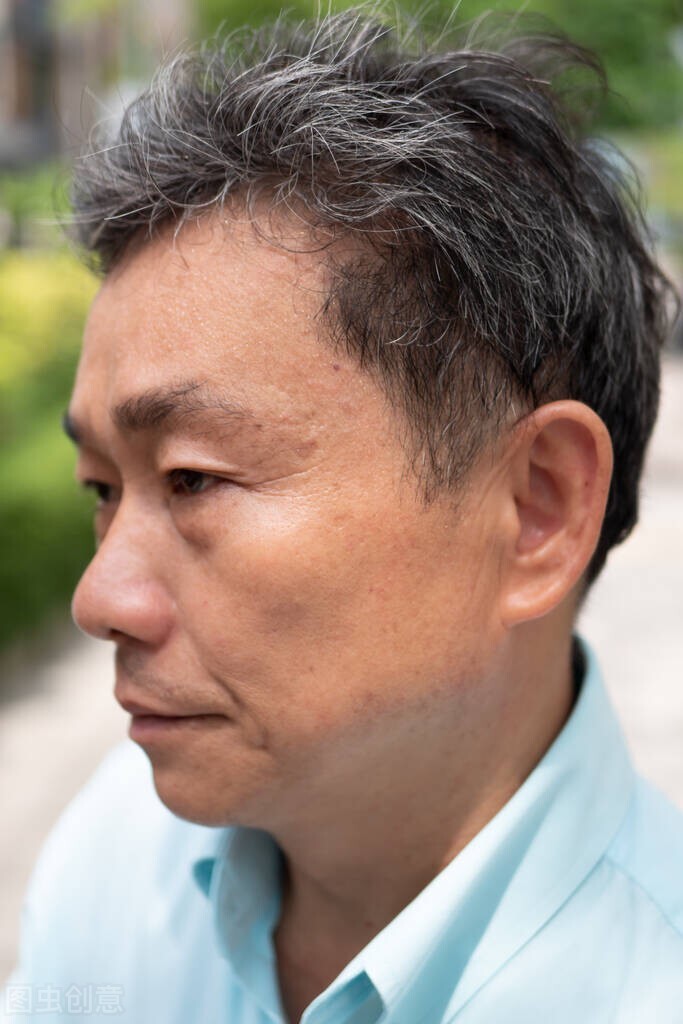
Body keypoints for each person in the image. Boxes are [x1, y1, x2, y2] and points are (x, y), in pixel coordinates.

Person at [3, 7, 682, 1023]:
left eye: (193, 479)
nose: (100, 599)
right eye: (102, 490)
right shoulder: (121, 857)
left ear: (535, 508)